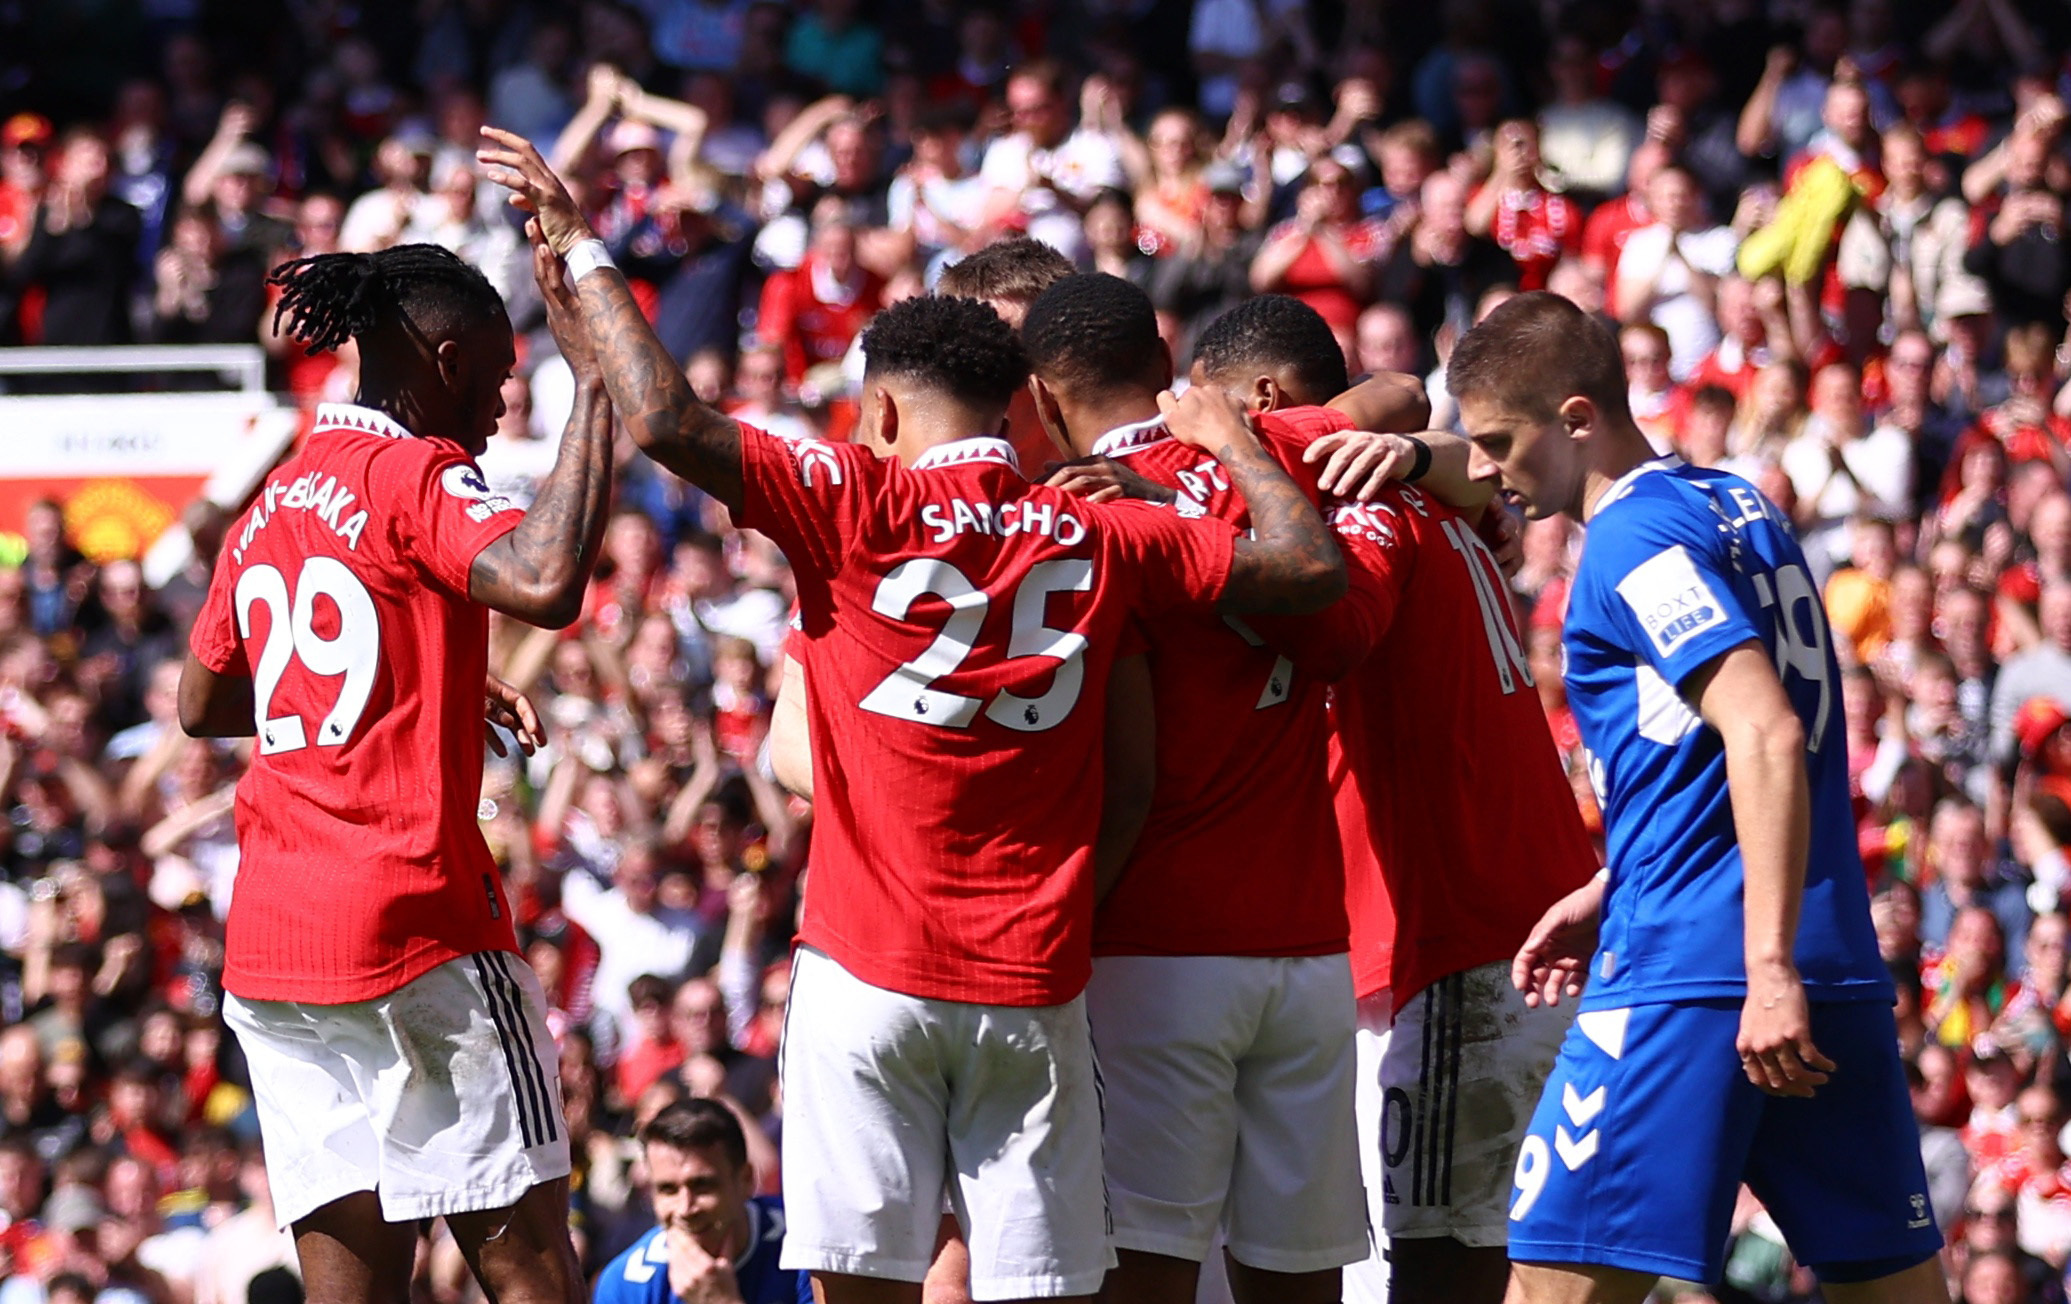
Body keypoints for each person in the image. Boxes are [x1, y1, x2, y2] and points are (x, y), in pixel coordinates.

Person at [479, 124, 1346, 1304]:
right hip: (1033, 980)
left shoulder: (849, 499)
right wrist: (1232, 443)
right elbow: (1304, 569)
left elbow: (669, 417)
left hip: (870, 970)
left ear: (880, 410)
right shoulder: (1103, 528)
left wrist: (584, 248)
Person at [1456, 291, 1946, 1303]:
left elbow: (1764, 728)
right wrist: (1617, 880)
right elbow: (1713, 745)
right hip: (1826, 962)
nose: (1481, 467)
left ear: (1576, 418)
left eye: (1497, 440)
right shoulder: (1737, 504)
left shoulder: (1630, 542)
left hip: (1696, 975)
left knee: (1548, 1286)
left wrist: (1762, 967)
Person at [176, 237, 617, 1304]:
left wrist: (422, 678)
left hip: (276, 947)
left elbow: (204, 704)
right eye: (501, 377)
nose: (502, 405)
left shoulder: (275, 497)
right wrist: (597, 386)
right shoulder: (418, 473)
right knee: (534, 1278)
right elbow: (547, 580)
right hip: (416, 928)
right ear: (448, 360)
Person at [1020, 275, 1431, 1304]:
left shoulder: (1076, 518)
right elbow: (1397, 389)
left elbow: (1117, 771)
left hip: (1156, 947)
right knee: (1298, 1274)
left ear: (1040, 397)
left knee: (1147, 1271)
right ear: (1169, 369)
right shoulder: (1269, 446)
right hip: (1308, 948)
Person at [1191, 293, 1601, 1304]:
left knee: (1436, 1268)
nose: (1185, 433)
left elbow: (1330, 627)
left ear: (1261, 402)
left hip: (1456, 946)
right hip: (1502, 930)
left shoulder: (1352, 509)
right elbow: (1438, 441)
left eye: (1199, 409)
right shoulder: (1427, 491)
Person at [593, 1100, 810, 1304]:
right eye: (668, 1189)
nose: (685, 1208)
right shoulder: (626, 1285)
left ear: (746, 1180)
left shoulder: (804, 1244)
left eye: (702, 1186)